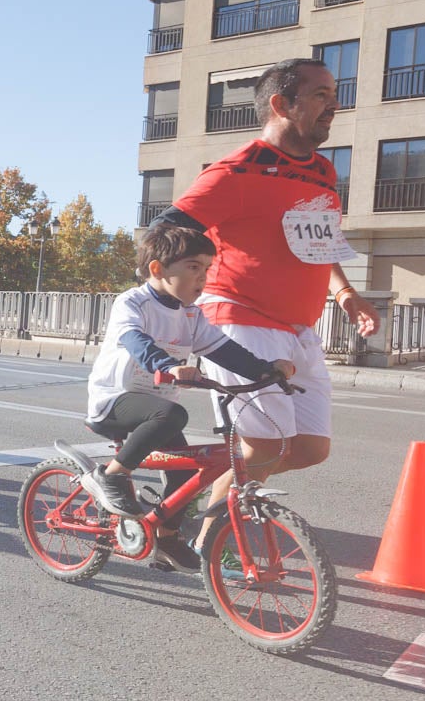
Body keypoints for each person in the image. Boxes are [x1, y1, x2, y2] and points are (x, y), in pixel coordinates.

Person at [152, 57, 380, 539]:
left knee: (310, 447)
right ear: (281, 104)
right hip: (240, 320)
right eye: (320, 94)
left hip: (299, 328)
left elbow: (321, 245)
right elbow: (166, 231)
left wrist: (345, 293)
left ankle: (201, 501)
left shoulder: (322, 172)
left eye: (333, 94)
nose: (333, 105)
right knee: (264, 447)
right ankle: (214, 545)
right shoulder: (234, 172)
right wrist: (183, 298)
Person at [83, 226, 295, 570]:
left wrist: (264, 370)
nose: (203, 278)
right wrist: (166, 365)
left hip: (155, 410)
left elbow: (225, 350)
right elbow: (135, 340)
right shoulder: (133, 302)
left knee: (186, 472)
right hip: (115, 401)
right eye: (194, 267)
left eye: (207, 270)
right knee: (173, 414)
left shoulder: (192, 316)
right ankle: (111, 475)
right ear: (158, 269)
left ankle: (165, 538)